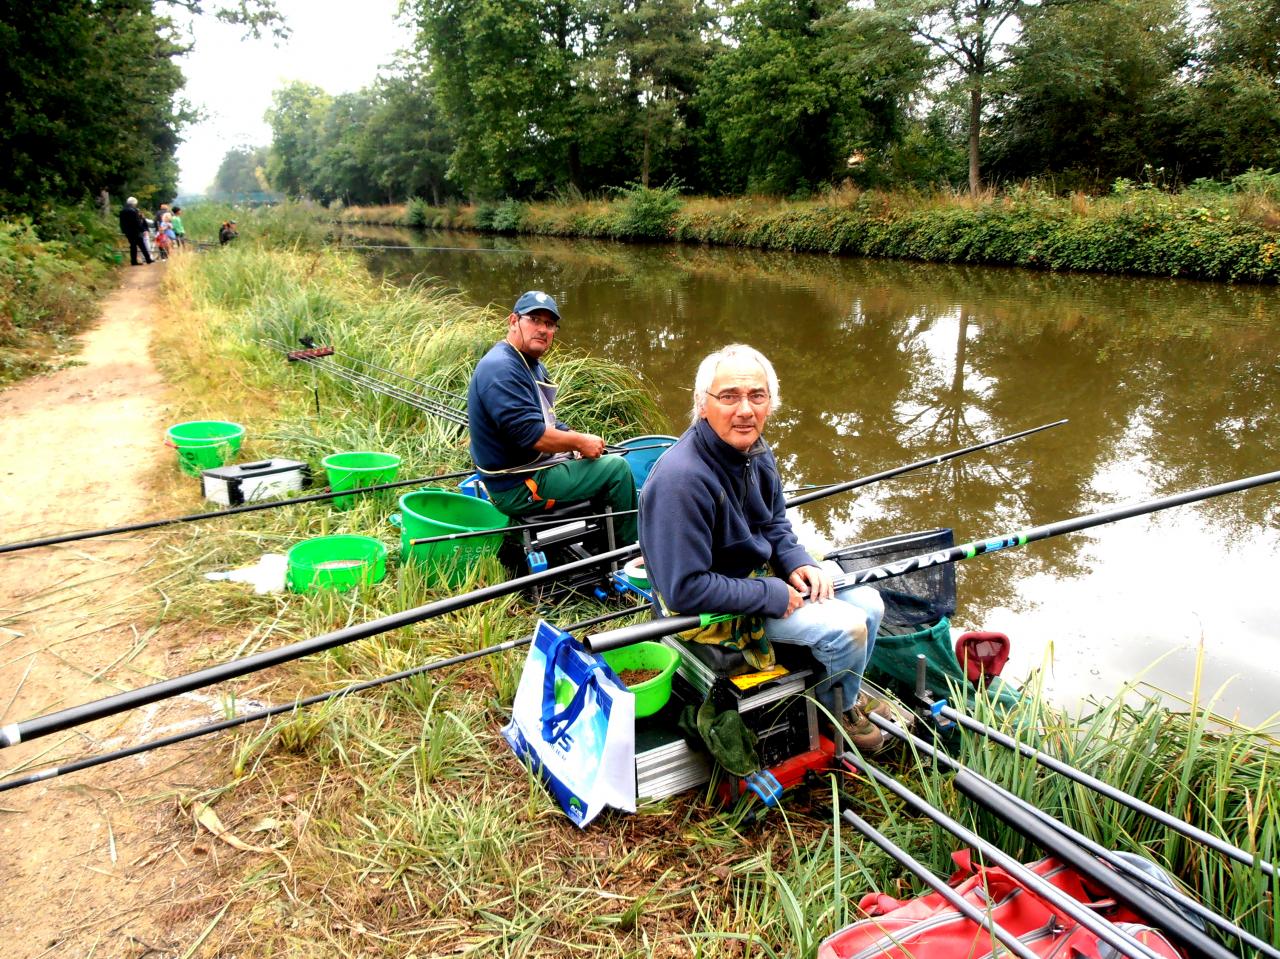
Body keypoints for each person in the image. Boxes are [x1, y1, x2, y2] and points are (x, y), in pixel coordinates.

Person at [638, 343, 889, 751]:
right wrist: (770, 593)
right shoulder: (680, 481)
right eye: (729, 397)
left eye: (757, 396)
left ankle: (846, 693)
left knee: (871, 603)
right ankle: (833, 713)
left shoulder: (754, 450)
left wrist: (795, 561)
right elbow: (682, 590)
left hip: (756, 578)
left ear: (770, 402)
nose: (745, 410)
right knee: (848, 629)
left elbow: (774, 523)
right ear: (703, 405)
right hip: (709, 613)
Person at [466, 290, 638, 543]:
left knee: (602, 460)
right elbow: (531, 436)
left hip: (530, 468)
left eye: (549, 324)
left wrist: (570, 437)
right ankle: (628, 550)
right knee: (616, 470)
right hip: (517, 485)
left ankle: (601, 538)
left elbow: (545, 420)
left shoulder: (529, 363)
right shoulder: (501, 368)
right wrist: (579, 442)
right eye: (534, 320)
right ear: (513, 321)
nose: (543, 329)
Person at [118, 196, 151, 266]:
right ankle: (148, 259)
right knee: (142, 245)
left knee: (133, 246)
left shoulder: (122, 211)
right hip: (135, 231)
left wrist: (123, 230)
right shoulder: (133, 211)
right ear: (134, 203)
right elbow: (136, 222)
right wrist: (143, 230)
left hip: (127, 231)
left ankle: (133, 261)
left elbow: (121, 222)